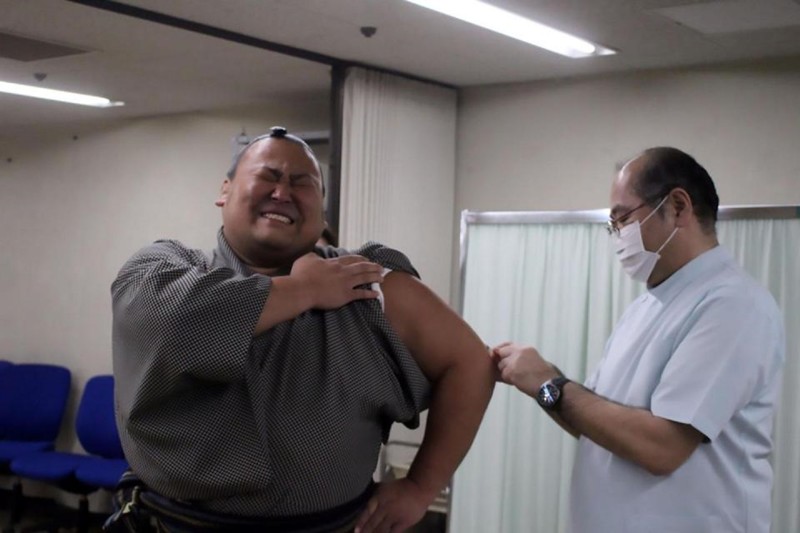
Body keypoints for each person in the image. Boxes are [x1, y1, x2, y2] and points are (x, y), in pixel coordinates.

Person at [109, 127, 494, 532]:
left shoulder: (367, 281)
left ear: (321, 209)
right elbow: (178, 323)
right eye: (268, 176)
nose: (282, 192)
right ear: (225, 190)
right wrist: (304, 289)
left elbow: (471, 363)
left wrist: (420, 487)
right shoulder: (161, 268)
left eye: (302, 182)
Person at [492, 147, 785, 533]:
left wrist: (550, 384)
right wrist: (540, 383)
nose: (617, 236)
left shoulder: (733, 305)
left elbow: (663, 448)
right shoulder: (646, 307)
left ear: (678, 207)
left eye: (623, 219)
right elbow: (593, 423)